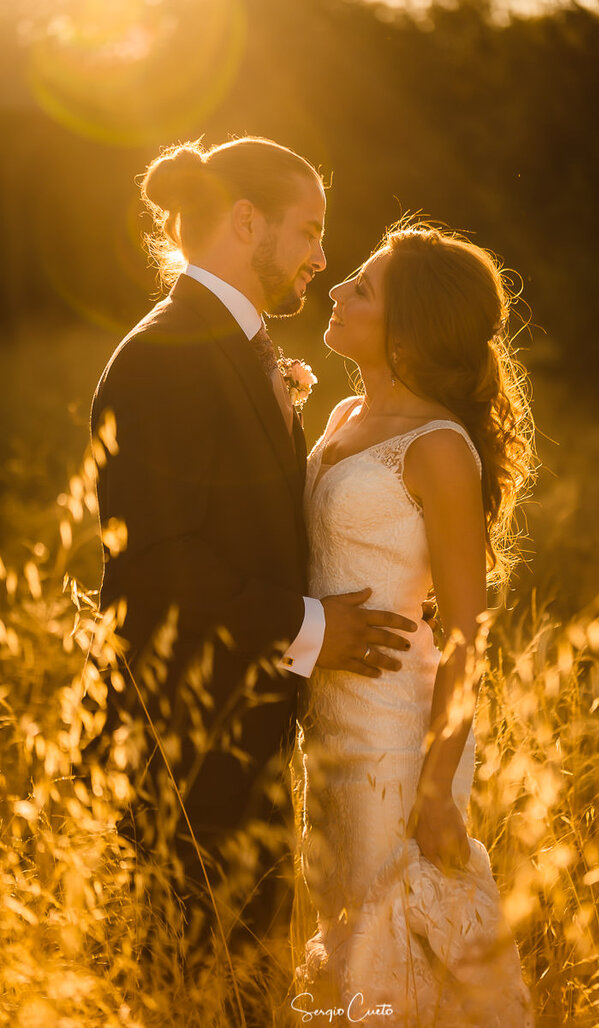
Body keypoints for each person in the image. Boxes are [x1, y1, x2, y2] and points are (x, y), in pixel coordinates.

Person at [88, 136, 417, 943]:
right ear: (245, 221)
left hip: (239, 740)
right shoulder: (165, 354)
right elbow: (161, 561)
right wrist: (313, 628)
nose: (321, 256)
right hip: (184, 753)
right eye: (308, 231)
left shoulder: (233, 344)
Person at [289, 223, 536, 1025]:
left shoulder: (438, 450)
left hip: (397, 734)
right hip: (325, 722)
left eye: (359, 286)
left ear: (409, 327)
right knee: (338, 936)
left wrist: (435, 789)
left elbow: (468, 632)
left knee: (394, 952)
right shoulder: (343, 414)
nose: (334, 290)